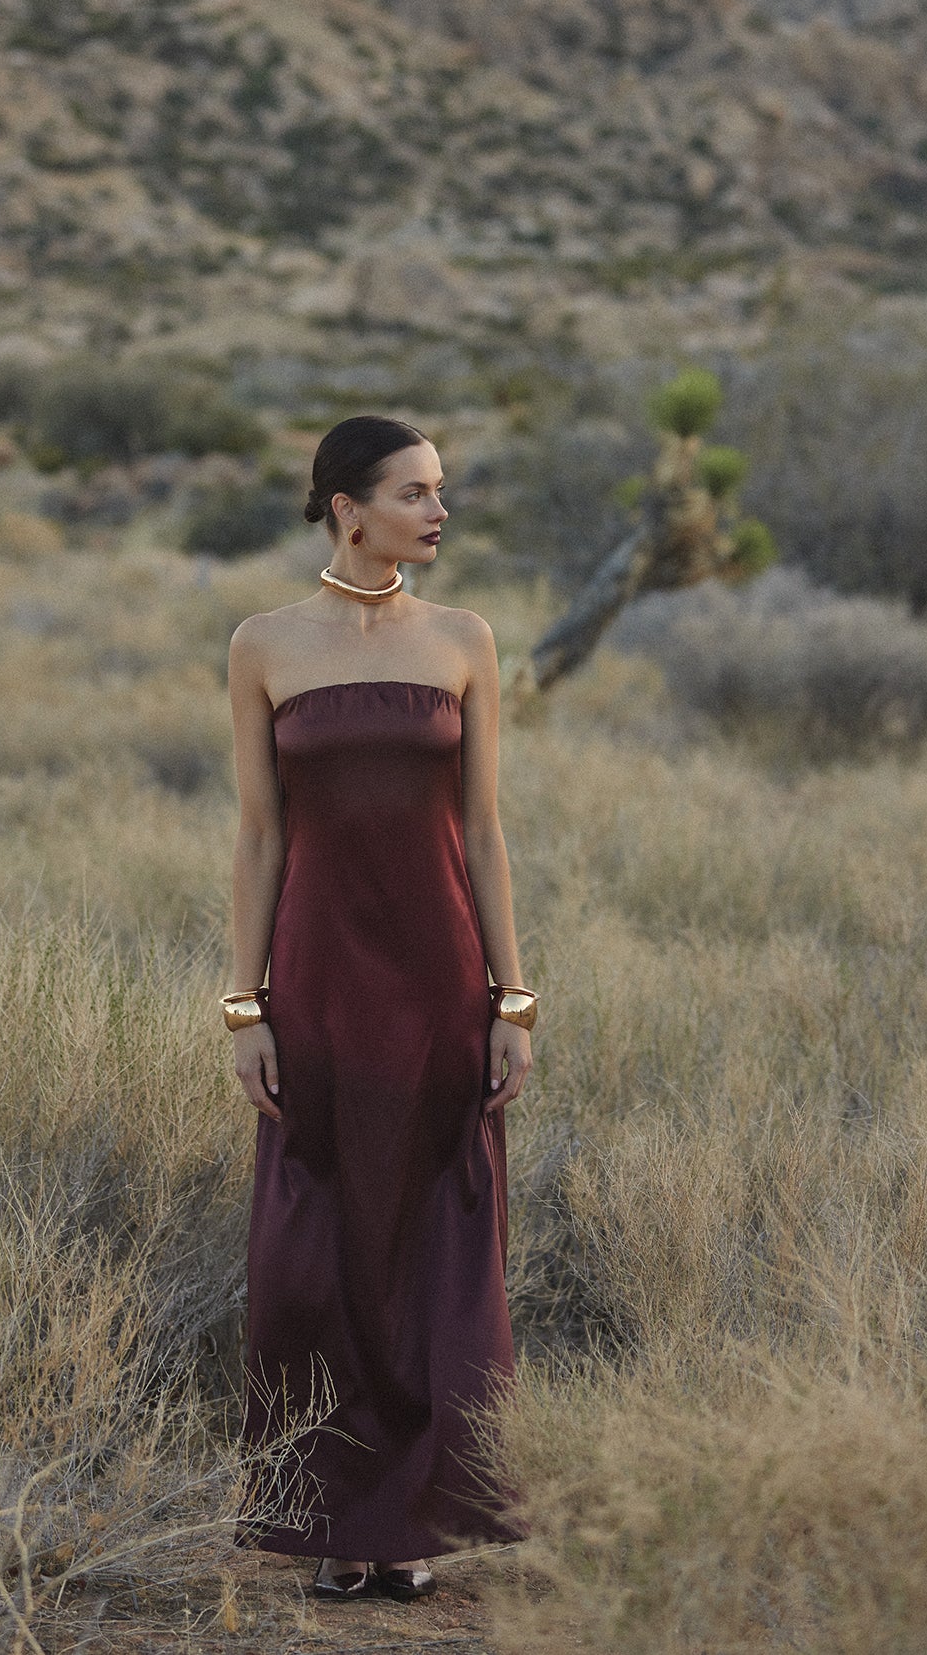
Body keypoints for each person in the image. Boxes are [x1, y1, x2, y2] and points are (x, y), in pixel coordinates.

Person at [223, 414, 537, 1602]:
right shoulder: (263, 644)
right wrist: (241, 1007)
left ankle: (412, 1521)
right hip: (313, 979)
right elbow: (258, 838)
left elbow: (485, 832)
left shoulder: (464, 638)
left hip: (438, 975)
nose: (438, 510)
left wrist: (511, 996)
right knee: (315, 1246)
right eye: (414, 492)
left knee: (436, 1243)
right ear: (349, 508)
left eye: (440, 491)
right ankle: (328, 1516)